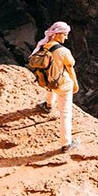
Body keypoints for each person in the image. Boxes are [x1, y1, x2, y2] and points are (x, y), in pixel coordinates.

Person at [31, 21, 80, 152]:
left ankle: (48, 105)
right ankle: (66, 143)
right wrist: (75, 84)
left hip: (48, 81)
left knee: (51, 82)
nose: (66, 37)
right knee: (66, 113)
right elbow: (70, 68)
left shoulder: (43, 45)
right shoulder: (63, 51)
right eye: (65, 34)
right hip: (63, 84)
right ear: (57, 34)